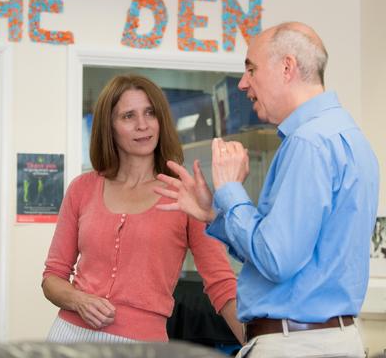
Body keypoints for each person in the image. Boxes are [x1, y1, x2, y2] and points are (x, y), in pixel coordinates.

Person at [155, 22, 379, 358]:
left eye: (251, 69)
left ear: (287, 67)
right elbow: (286, 252)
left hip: (297, 345)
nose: (243, 84)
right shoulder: (348, 136)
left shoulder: (308, 143)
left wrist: (230, 190)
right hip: (333, 340)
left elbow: (276, 259)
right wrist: (214, 214)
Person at [42, 74, 243, 344]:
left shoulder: (184, 194)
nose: (143, 125)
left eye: (150, 113)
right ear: (109, 126)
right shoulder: (82, 188)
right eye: (128, 116)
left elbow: (221, 283)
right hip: (69, 338)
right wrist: (79, 300)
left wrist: (255, 344)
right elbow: (52, 278)